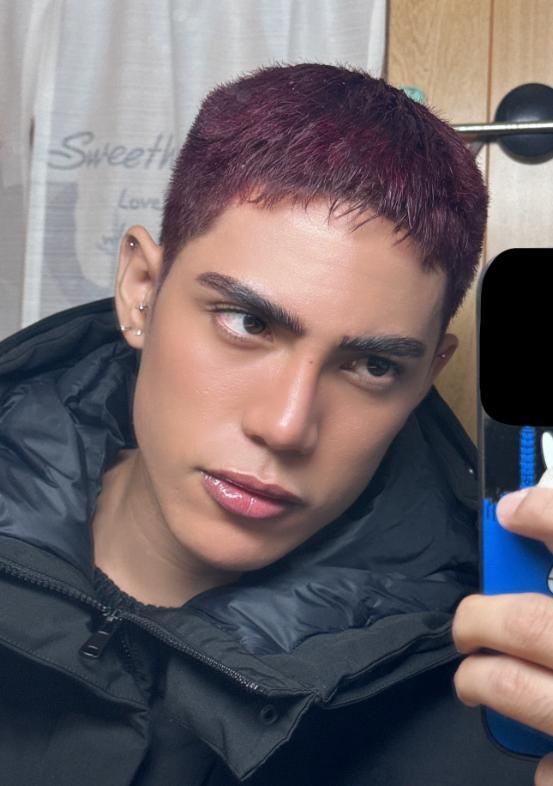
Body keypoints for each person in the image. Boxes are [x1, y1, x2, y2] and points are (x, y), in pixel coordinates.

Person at [0, 62, 546, 785]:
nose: (286, 427)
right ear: (141, 292)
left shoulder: (491, 705)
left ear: (423, 377)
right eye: (247, 323)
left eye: (372, 365)